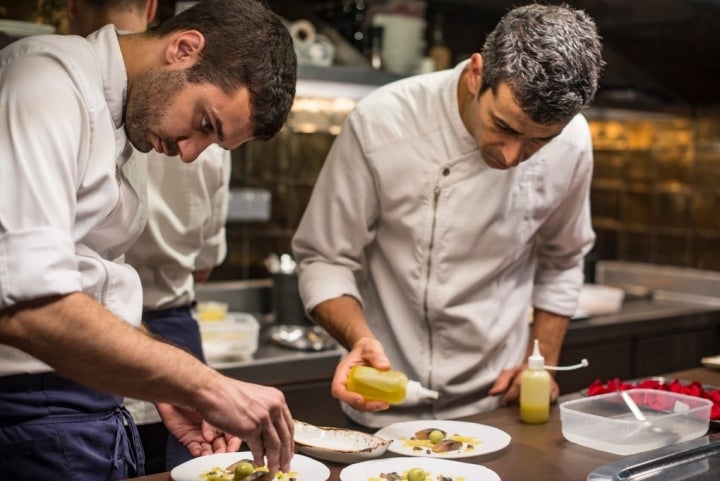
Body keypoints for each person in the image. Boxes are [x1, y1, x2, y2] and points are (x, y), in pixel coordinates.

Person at [0, 0, 297, 479]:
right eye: (205, 124)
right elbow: (28, 303)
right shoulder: (47, 80)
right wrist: (205, 386)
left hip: (85, 409)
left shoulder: (124, 111)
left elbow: (86, 282)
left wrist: (165, 385)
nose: (188, 153)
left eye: (212, 143)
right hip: (31, 413)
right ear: (183, 49)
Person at [292, 3, 604, 428]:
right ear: (477, 74)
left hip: (499, 410)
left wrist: (542, 362)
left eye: (538, 143)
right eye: (505, 127)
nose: (513, 156)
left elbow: (563, 259)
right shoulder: (383, 123)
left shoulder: (573, 144)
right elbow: (324, 258)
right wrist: (360, 340)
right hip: (386, 404)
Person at [66, 0, 233, 473]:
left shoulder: (179, 100)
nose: (186, 151)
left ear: (71, 6)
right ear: (153, 8)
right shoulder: (61, 82)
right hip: (126, 325)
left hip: (117, 330)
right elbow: (205, 260)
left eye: (208, 134)